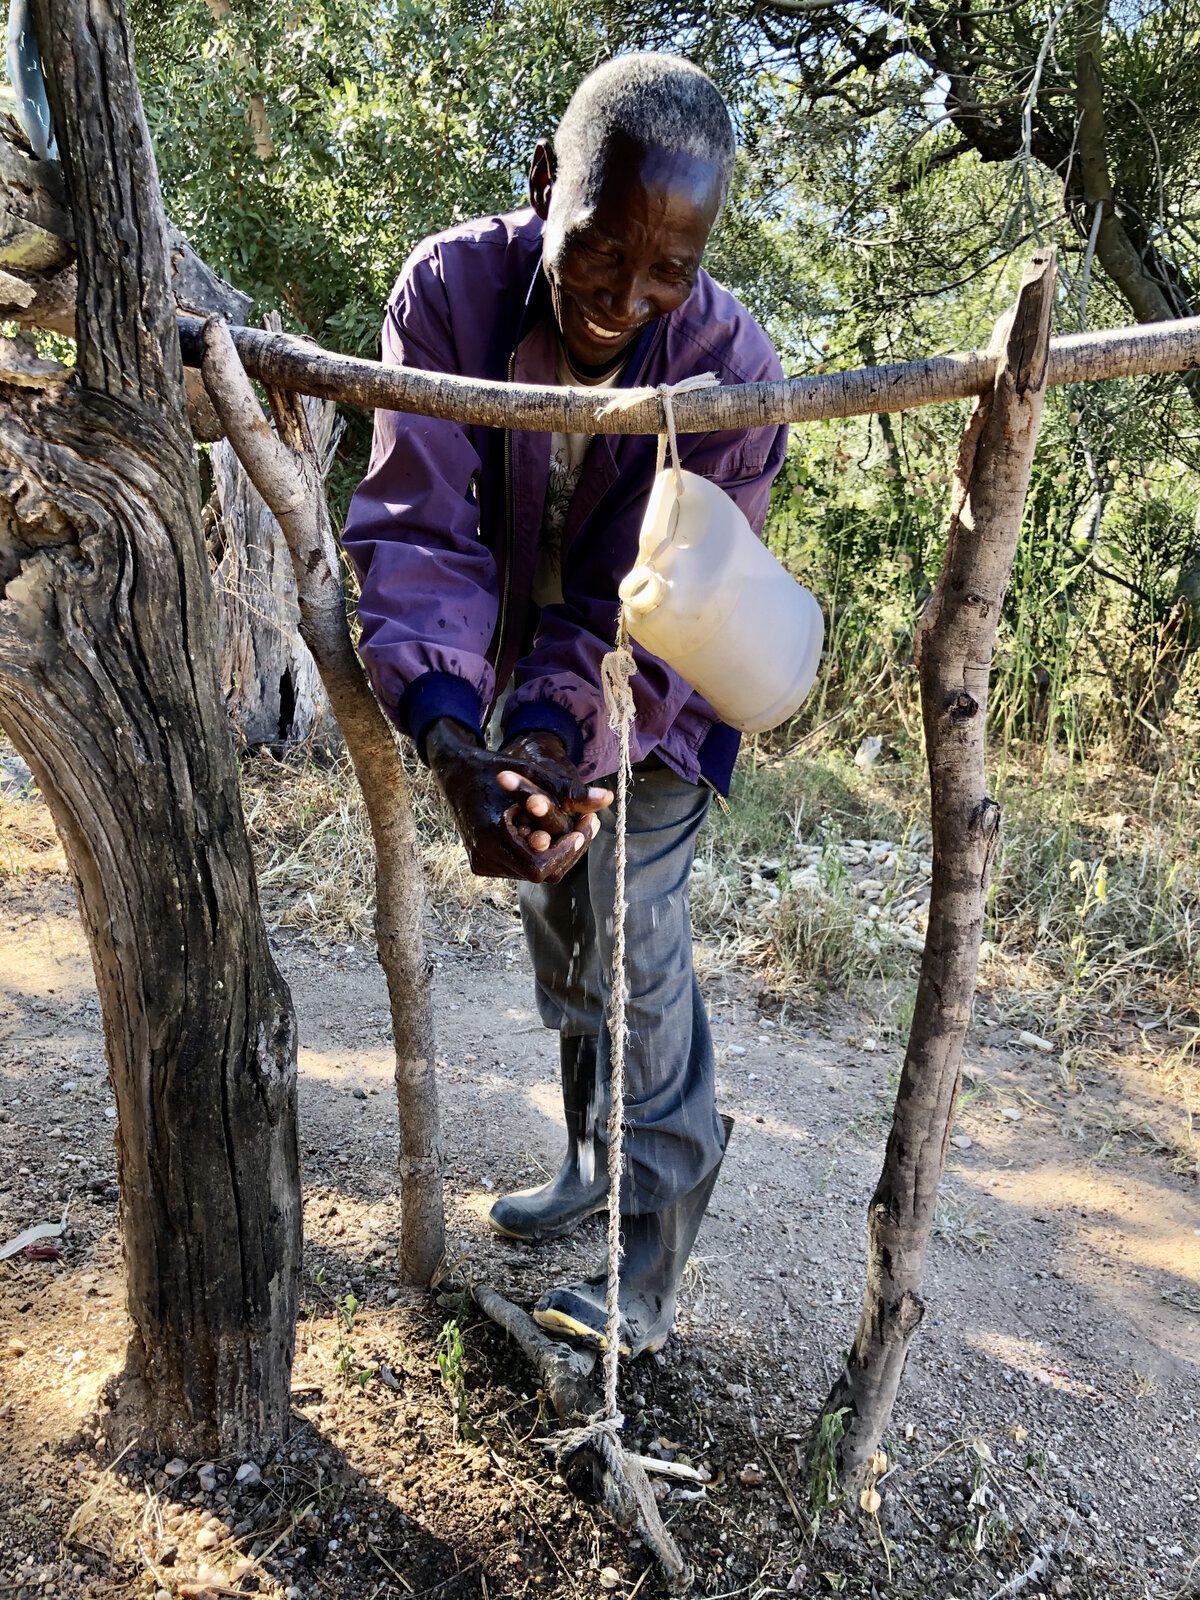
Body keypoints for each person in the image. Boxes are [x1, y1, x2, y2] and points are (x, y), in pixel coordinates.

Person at [343, 53, 787, 1358]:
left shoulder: (727, 369)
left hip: (653, 689)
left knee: (633, 947)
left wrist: (551, 743)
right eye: (603, 252)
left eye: (670, 270)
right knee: (563, 928)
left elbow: (636, 612)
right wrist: (451, 738)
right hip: (508, 673)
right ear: (547, 185)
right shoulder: (451, 296)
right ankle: (593, 1166)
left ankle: (645, 1269)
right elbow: (422, 536)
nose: (627, 298)